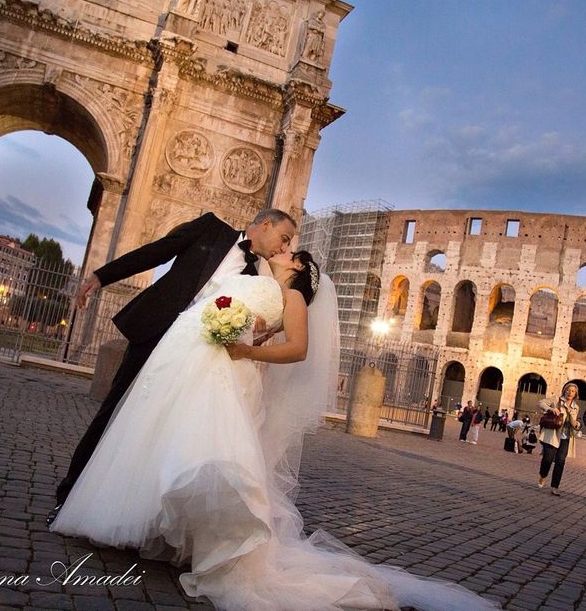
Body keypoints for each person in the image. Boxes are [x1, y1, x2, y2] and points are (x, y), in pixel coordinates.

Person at [50, 252, 497, 611]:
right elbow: (265, 332)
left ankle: (207, 536)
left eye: (289, 250)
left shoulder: (294, 298)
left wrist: (246, 349)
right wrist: (250, 337)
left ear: (299, 269)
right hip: (216, 369)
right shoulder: (273, 289)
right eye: (283, 243)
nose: (283, 250)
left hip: (231, 370)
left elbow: (298, 349)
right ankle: (180, 528)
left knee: (217, 454)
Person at [46, 209, 297, 526]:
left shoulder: (253, 277)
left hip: (192, 355)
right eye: (284, 238)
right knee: (112, 413)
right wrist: (100, 276)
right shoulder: (210, 229)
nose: (283, 248)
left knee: (162, 431)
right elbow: (156, 252)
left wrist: (254, 331)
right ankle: (68, 497)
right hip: (154, 333)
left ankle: (137, 511)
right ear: (265, 225)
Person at [537, 383, 582, 496]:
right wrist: (551, 409)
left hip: (566, 437)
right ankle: (543, 475)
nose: (570, 393)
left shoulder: (576, 407)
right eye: (568, 390)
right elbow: (540, 403)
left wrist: (575, 422)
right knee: (547, 459)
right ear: (564, 390)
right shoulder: (556, 399)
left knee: (560, 462)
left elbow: (574, 423)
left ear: (575, 394)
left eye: (572, 391)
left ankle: (554, 487)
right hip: (553, 435)